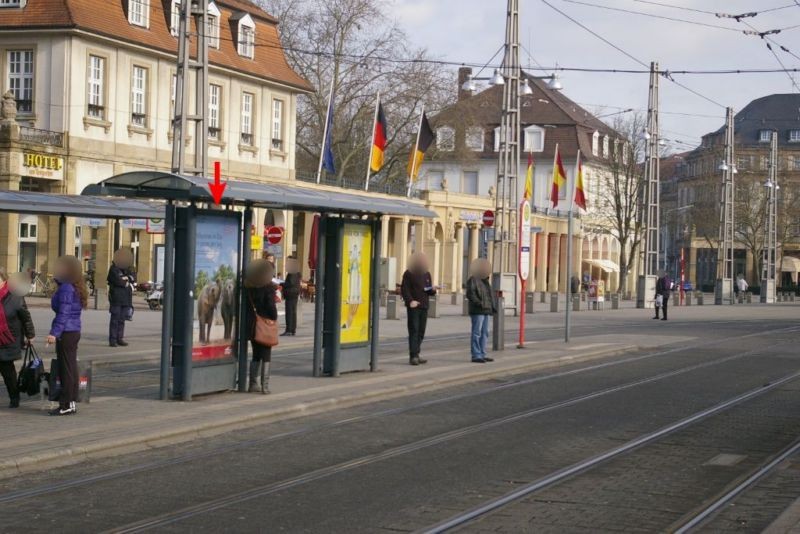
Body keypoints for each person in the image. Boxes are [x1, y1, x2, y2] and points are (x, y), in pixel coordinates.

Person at [47, 255, 87, 416]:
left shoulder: (66, 288)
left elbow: (63, 313)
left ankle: (67, 404)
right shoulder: (72, 286)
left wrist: (53, 333)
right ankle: (69, 402)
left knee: (67, 369)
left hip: (67, 332)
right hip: (72, 330)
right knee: (69, 368)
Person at [0, 269, 35, 408]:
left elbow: (25, 317)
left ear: (3, 280)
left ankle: (14, 397)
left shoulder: (15, 295)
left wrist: (30, 334)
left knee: (8, 372)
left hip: (8, 339)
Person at [244, 259, 278, 393]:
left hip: (252, 324)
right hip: (265, 324)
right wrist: (273, 317)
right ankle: (265, 386)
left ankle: (253, 384)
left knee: (256, 355)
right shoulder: (268, 288)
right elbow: (271, 308)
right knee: (266, 355)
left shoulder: (249, 287)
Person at [400, 252, 436, 366]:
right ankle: (413, 356)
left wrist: (433, 289)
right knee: (414, 331)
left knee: (421, 331)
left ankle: (417, 353)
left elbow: (428, 290)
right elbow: (405, 289)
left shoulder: (427, 274)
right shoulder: (408, 273)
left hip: (424, 306)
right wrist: (410, 301)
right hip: (414, 307)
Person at [465, 258, 496, 364]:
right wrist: (480, 303)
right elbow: (470, 294)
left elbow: (489, 295)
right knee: (477, 333)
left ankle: (482, 353)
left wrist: (492, 307)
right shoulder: (473, 280)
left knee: (485, 333)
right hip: (478, 310)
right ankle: (476, 355)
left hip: (486, 310)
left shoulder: (486, 280)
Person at [107, 248, 135, 347]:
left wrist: (126, 278)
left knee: (122, 319)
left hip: (126, 298)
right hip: (116, 297)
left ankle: (120, 338)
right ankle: (113, 340)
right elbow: (117, 281)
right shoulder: (113, 268)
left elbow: (133, 277)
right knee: (115, 319)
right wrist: (125, 279)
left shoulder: (128, 268)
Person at [282, 257, 301, 336]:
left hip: (291, 293)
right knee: (293, 312)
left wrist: (281, 283)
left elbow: (290, 283)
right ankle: (292, 329)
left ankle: (289, 330)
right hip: (294, 293)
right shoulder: (296, 271)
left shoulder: (292, 272)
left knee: (290, 312)